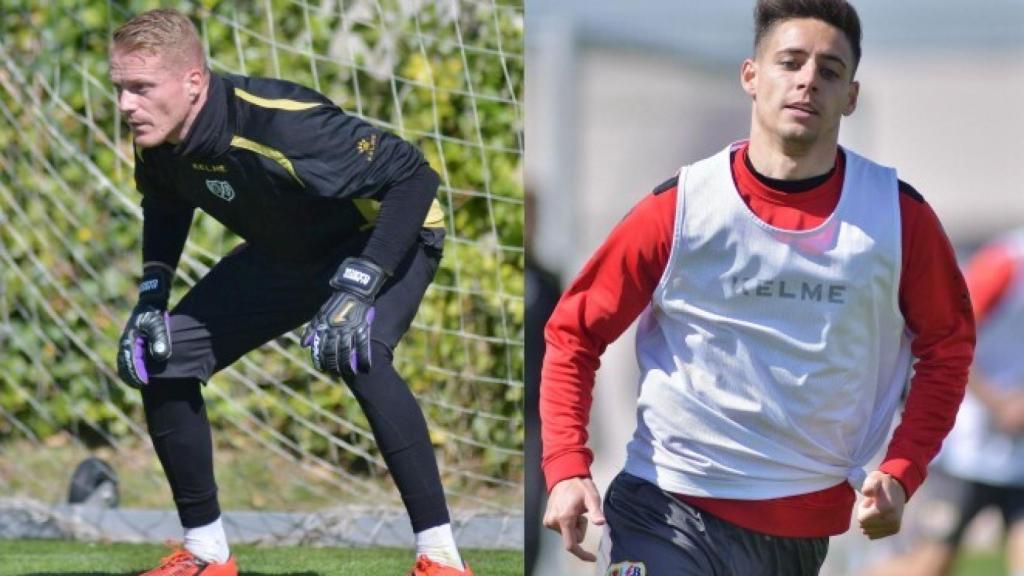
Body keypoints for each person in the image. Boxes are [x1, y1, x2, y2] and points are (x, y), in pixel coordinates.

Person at [539, 1, 975, 574]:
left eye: (829, 70)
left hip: (799, 527)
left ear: (851, 96)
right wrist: (568, 466)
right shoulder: (681, 207)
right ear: (751, 75)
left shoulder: (898, 218)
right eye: (790, 62)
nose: (807, 81)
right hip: (665, 505)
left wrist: (902, 468)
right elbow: (573, 331)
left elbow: (948, 346)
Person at [108, 9, 471, 576]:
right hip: (288, 254)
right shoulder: (157, 139)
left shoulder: (284, 126)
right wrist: (150, 298)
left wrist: (362, 280)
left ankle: (442, 559)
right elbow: (166, 203)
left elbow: (414, 177)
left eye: (141, 88)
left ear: (193, 82)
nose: (127, 104)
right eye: (121, 88)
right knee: (164, 357)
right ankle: (207, 554)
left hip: (384, 236)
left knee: (359, 351)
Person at [864, 229, 1024, 576]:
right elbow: (953, 339)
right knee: (929, 567)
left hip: (1018, 452)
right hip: (966, 449)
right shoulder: (1006, 263)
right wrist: (999, 404)